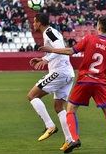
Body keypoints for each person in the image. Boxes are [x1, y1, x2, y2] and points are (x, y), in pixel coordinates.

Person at [39, 16, 106, 153]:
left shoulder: (89, 39)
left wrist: (52, 50)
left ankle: (75, 139)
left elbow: (70, 51)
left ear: (98, 27)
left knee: (71, 109)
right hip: (100, 83)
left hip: (84, 80)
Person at [27, 13, 75, 151]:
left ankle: (50, 126)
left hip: (59, 72)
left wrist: (46, 60)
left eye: (35, 22)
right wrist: (42, 58)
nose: (33, 24)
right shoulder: (51, 32)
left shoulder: (49, 32)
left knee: (32, 96)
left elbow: (59, 48)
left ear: (40, 23)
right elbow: (54, 50)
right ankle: (69, 140)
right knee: (59, 107)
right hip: (67, 73)